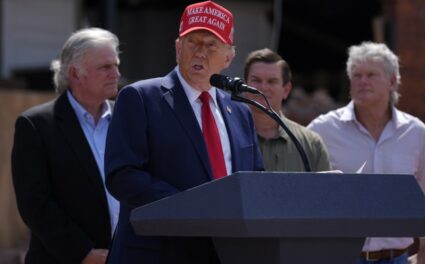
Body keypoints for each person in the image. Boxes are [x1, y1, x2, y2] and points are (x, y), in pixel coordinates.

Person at [104, 1, 264, 264]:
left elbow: (253, 179)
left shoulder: (241, 112)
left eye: (211, 44)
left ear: (228, 58)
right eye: (193, 42)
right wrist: (192, 207)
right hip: (159, 253)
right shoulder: (140, 98)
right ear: (178, 49)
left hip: (225, 253)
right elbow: (122, 175)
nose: (200, 52)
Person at [308, 41, 425, 263]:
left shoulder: (415, 132)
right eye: (356, 75)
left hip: (397, 257)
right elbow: (302, 188)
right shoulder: (323, 129)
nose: (362, 81)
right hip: (340, 257)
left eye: (371, 74)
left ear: (392, 81)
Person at [11, 27, 120, 264]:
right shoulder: (36, 125)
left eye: (116, 65)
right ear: (75, 74)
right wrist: (83, 253)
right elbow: (35, 205)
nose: (116, 73)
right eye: (105, 67)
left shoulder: (129, 118)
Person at [243, 48, 331, 172]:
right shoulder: (226, 136)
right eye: (256, 80)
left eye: (272, 81)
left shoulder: (311, 144)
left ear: (286, 90)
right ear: (244, 86)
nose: (263, 87)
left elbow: (325, 190)